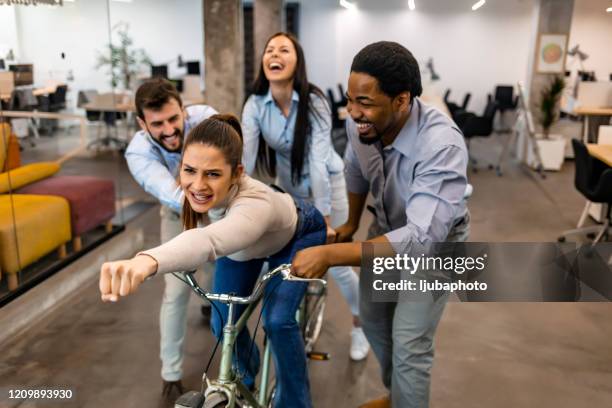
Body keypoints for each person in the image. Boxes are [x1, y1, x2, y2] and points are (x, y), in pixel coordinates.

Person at [101, 114, 327, 408]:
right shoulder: (193, 194)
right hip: (244, 248)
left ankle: (296, 403)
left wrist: (147, 260)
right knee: (222, 320)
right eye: (189, 170)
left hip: (296, 236)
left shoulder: (255, 203)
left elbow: (209, 241)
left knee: (277, 321)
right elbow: (205, 237)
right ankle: (244, 377)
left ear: (237, 173)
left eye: (213, 174)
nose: (197, 185)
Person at [291, 42, 471, 408]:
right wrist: (350, 224)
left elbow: (420, 239)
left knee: (410, 343)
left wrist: (332, 254)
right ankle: (402, 396)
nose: (354, 112)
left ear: (402, 100)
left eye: (366, 103)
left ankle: (406, 394)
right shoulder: (361, 124)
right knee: (373, 320)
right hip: (386, 228)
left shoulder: (442, 145)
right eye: (350, 99)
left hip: (433, 246)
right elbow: (356, 170)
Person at [242, 31, 370, 360]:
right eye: (270, 49)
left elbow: (316, 161)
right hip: (290, 191)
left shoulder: (314, 101)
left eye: (285, 49)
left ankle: (360, 324)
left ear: (297, 62)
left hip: (328, 185)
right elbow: (245, 159)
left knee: (337, 264)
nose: (275, 54)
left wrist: (325, 218)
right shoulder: (255, 104)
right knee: (286, 261)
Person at [124, 78, 217, 397]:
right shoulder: (138, 152)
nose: (168, 130)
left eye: (173, 119)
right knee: (176, 290)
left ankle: (210, 306)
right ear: (141, 123)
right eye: (157, 123)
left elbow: (231, 161)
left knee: (223, 279)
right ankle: (171, 372)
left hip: (220, 208)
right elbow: (176, 195)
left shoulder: (205, 118)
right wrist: (204, 175)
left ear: (184, 110)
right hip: (178, 213)